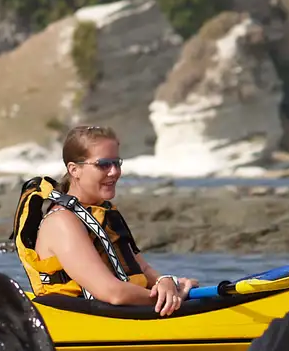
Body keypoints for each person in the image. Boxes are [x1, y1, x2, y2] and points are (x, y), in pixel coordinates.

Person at [10, 125, 197, 316]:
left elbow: (145, 269)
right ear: (74, 170)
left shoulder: (102, 212)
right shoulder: (62, 222)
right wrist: (173, 298)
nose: (114, 172)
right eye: (103, 164)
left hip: (121, 313)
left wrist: (167, 282)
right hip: (80, 321)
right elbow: (112, 292)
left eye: (117, 163)